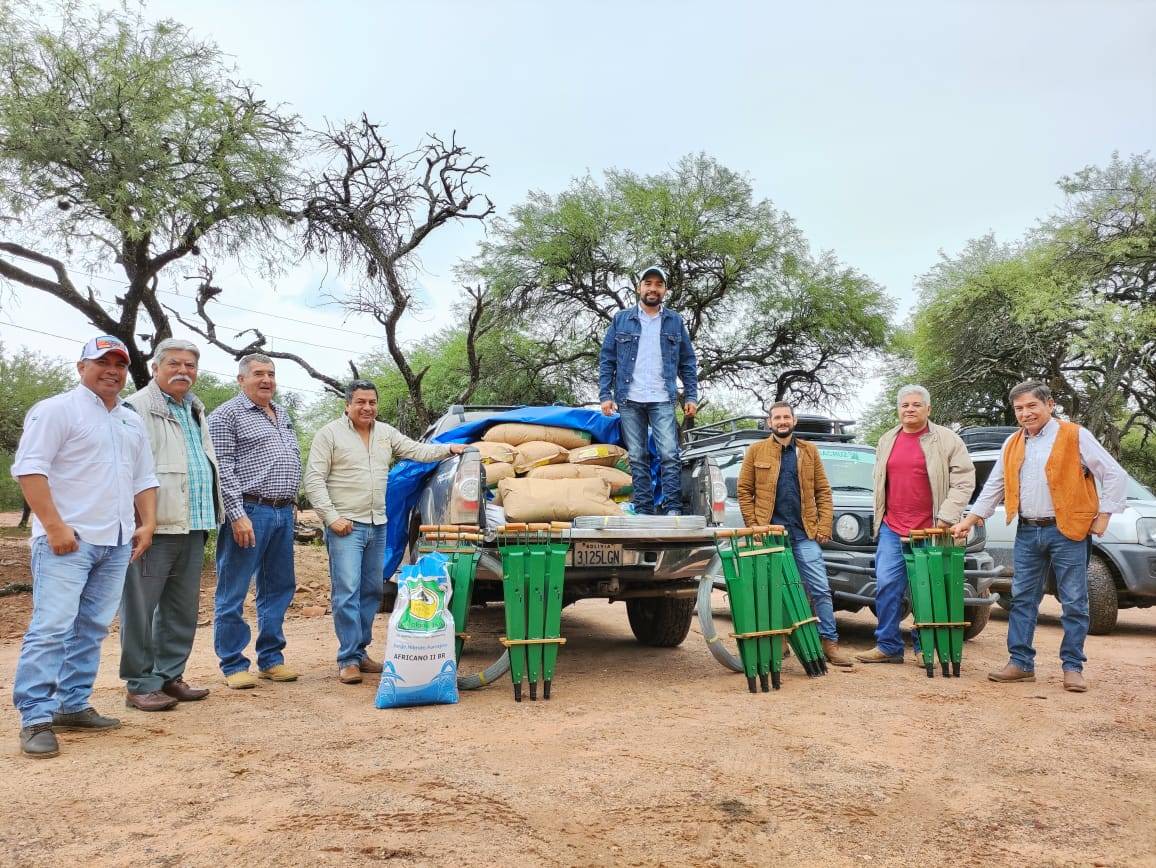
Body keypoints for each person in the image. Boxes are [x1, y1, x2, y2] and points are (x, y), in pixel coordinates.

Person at [11, 335, 158, 759]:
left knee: (92, 627)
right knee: (53, 626)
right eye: (102, 361)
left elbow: (143, 478)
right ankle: (36, 715)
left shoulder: (129, 420)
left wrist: (147, 523)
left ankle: (71, 704)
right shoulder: (56, 410)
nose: (112, 370)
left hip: (115, 542)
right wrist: (54, 526)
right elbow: (30, 469)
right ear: (81, 367)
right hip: (67, 542)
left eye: (120, 363)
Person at [951, 382, 1127, 693]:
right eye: (1019, 408)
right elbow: (995, 485)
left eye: (1032, 405)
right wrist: (971, 519)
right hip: (1028, 531)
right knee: (1022, 599)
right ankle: (1020, 663)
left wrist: (1104, 516)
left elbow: (1113, 474)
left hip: (1068, 530)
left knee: (1074, 600)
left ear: (1049, 404)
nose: (1025, 413)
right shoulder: (1013, 443)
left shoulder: (1075, 435)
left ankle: (1073, 667)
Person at [304, 380, 465, 684]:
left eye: (372, 402)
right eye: (361, 402)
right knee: (347, 591)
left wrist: (449, 449)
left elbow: (417, 450)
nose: (367, 408)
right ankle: (348, 658)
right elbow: (313, 480)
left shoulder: (385, 433)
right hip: (345, 526)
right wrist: (331, 517)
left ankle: (361, 652)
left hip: (377, 524)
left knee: (372, 592)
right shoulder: (330, 434)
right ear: (348, 405)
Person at [120, 338, 222, 711]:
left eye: (190, 366)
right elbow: (129, 469)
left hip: (193, 522)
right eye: (175, 364)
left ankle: (169, 676)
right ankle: (140, 683)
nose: (183, 372)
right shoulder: (135, 409)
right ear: (155, 368)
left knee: (181, 608)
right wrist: (139, 520)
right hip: (154, 526)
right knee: (141, 608)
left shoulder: (195, 408)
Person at [856, 385, 974, 664]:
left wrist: (946, 516)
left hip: (932, 527)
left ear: (928, 409)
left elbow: (964, 480)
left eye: (916, 405)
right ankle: (888, 646)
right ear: (898, 409)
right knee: (886, 584)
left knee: (928, 587)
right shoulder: (887, 439)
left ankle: (925, 649)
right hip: (892, 526)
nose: (910, 409)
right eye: (905, 405)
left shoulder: (947, 439)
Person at [737, 402, 854, 668]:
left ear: (794, 421)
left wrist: (824, 525)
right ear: (769, 423)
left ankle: (829, 643)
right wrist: (755, 526)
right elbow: (744, 491)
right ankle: (780, 639)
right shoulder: (756, 451)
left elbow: (823, 491)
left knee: (820, 589)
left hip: (804, 534)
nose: (781, 421)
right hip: (770, 535)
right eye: (776, 417)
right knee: (773, 589)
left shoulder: (808, 451)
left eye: (785, 417)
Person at [208, 354, 302, 689]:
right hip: (249, 512)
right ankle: (233, 664)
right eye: (258, 374)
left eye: (271, 374)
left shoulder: (281, 413)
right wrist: (237, 515)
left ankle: (271, 659)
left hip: (282, 512)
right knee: (233, 590)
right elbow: (223, 470)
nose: (267, 380)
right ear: (241, 379)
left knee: (278, 588)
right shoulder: (225, 416)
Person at [598, 265, 698, 515]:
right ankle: (644, 508)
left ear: (665, 290)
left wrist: (691, 395)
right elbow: (607, 358)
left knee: (668, 454)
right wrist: (605, 395)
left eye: (658, 284)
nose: (653, 289)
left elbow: (687, 361)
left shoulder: (674, 321)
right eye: (648, 283)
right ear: (639, 287)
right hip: (629, 398)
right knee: (637, 456)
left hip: (662, 397)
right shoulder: (622, 319)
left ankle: (672, 507)